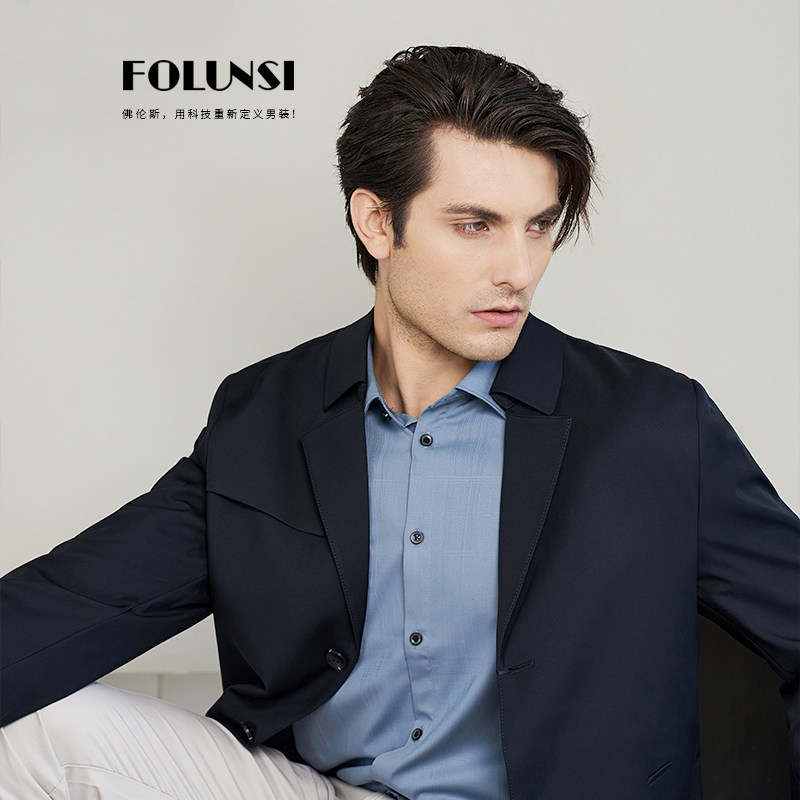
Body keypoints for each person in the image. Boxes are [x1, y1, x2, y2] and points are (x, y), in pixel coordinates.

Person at [1, 45, 797, 800]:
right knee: (34, 724)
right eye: (475, 225)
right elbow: (74, 603)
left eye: (538, 226)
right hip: (324, 789)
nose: (518, 270)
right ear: (377, 222)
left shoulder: (654, 424)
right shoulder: (264, 413)